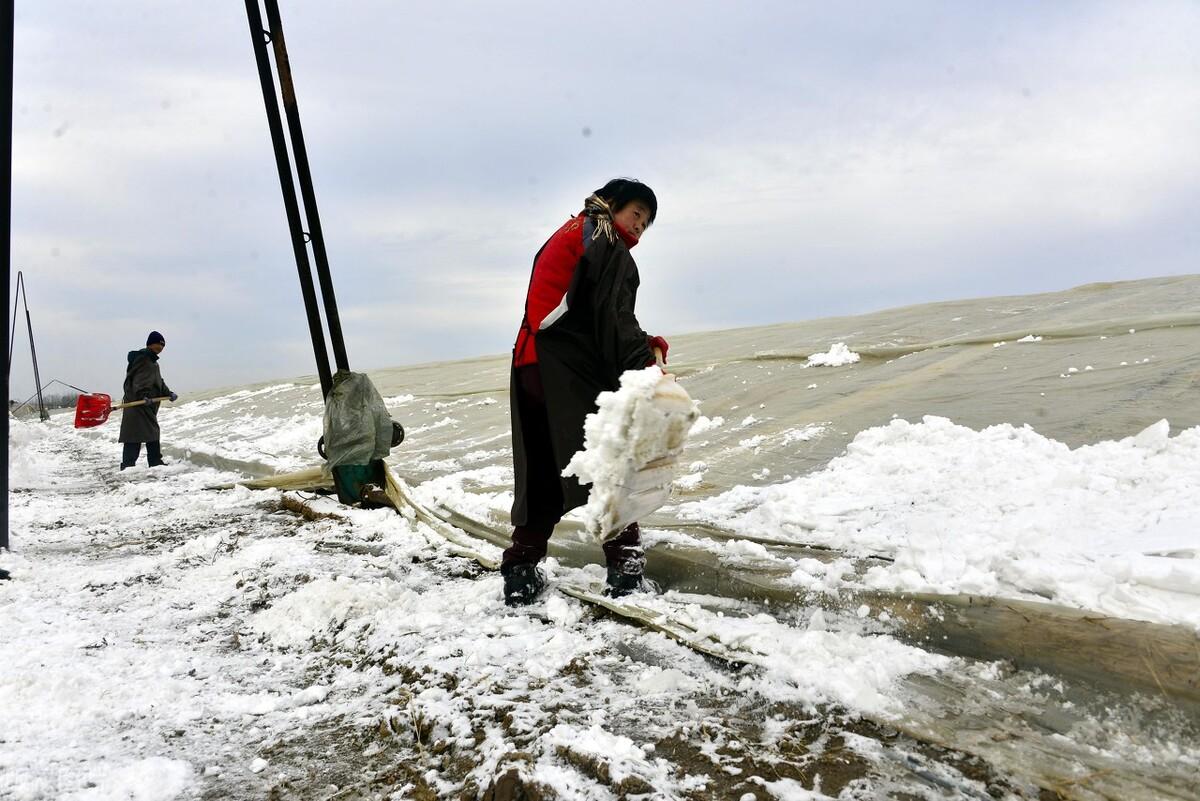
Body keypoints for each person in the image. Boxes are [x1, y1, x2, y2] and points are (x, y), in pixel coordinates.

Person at [503, 178, 671, 606]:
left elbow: (578, 312)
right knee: (607, 462)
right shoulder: (603, 239)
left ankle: (520, 573)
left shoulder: (570, 233)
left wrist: (641, 340)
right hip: (565, 369)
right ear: (612, 204)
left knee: (541, 470)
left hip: (529, 365)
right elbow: (612, 318)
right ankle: (627, 575)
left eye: (646, 224)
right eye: (636, 214)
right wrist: (645, 362)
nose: (638, 228)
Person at [118, 330, 177, 470]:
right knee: (136, 435)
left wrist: (168, 392)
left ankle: (152, 461)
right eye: (158, 344)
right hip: (138, 404)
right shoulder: (143, 359)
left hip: (145, 404)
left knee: (147, 432)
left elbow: (158, 381)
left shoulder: (152, 361)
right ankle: (130, 465)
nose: (160, 347)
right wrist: (143, 395)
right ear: (150, 344)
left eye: (163, 345)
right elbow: (140, 380)